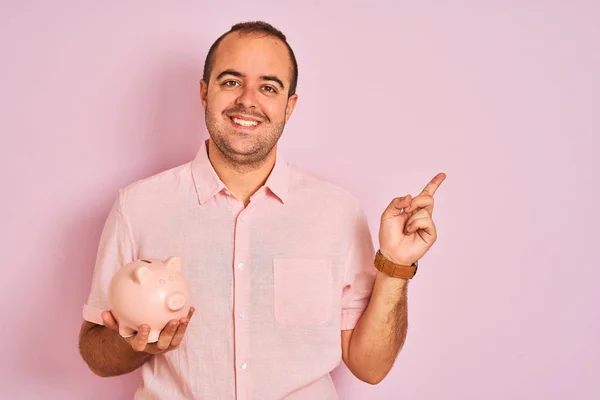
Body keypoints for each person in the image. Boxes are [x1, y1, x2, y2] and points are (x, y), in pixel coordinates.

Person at [78, 20, 446, 400]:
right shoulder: (138, 206)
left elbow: (370, 368)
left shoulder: (337, 211)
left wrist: (395, 268)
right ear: (205, 92)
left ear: (290, 106)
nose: (247, 100)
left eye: (268, 87)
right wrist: (134, 343)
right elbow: (96, 353)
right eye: (231, 81)